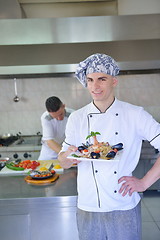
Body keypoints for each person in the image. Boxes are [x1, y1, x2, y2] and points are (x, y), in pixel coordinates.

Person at [58, 53, 160, 240]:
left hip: (123, 206)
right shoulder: (77, 118)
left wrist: (144, 183)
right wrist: (67, 159)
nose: (95, 86)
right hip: (87, 207)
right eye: (90, 80)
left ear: (114, 81)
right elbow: (63, 160)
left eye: (101, 79)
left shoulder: (135, 114)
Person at [38, 96, 73, 160]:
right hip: (49, 152)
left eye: (61, 114)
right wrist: (64, 155)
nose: (59, 119)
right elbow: (49, 141)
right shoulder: (46, 118)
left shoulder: (72, 115)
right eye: (55, 117)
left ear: (63, 106)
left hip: (66, 148)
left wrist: (67, 154)